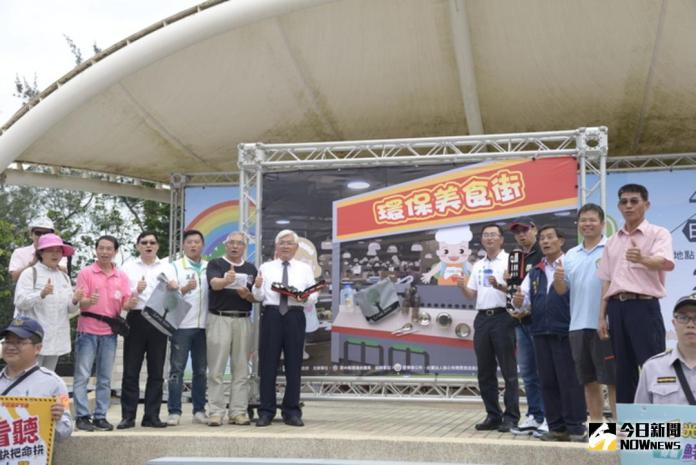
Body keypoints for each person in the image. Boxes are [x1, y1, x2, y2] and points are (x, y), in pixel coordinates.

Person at [597, 184, 675, 404]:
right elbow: (607, 280)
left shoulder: (658, 233)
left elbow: (665, 262)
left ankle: (662, 426)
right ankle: (627, 430)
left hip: (643, 307)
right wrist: (602, 317)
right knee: (623, 371)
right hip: (616, 308)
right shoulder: (612, 241)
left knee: (655, 367)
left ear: (646, 204)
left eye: (634, 201)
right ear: (619, 206)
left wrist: (642, 259)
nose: (628, 206)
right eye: (624, 202)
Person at [513, 225, 587, 442]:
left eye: (550, 237)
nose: (545, 242)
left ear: (561, 241)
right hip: (540, 332)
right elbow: (523, 301)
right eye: (543, 238)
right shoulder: (535, 271)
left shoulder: (571, 265)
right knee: (547, 381)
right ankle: (556, 427)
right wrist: (518, 301)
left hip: (566, 331)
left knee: (569, 380)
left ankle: (576, 426)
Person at [554, 204, 616, 421]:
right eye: (583, 220)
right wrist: (558, 280)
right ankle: (600, 434)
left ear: (602, 223)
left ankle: (620, 433)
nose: (587, 224)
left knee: (612, 380)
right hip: (578, 326)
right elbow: (563, 290)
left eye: (592, 220)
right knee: (589, 382)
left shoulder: (612, 248)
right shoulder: (571, 254)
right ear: (578, 224)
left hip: (606, 324)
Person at [252, 229, 317, 427]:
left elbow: (313, 295)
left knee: (294, 365)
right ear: (276, 247)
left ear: (296, 247)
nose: (285, 246)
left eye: (289, 243)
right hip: (272, 315)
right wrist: (256, 286)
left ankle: (292, 411)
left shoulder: (304, 269)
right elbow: (258, 297)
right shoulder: (266, 266)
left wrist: (304, 296)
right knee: (268, 364)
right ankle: (266, 411)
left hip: (295, 316)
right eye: (282, 243)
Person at [73, 235, 137, 432]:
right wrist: (87, 301)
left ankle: (100, 416)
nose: (104, 252)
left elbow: (126, 303)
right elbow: (79, 302)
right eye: (101, 248)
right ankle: (82, 416)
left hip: (109, 332)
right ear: (96, 250)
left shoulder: (122, 276)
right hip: (87, 330)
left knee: (105, 377)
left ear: (115, 252)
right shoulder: (86, 273)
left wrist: (129, 304)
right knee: (82, 375)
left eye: (109, 248)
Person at [459, 224, 518, 432]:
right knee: (485, 371)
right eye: (486, 235)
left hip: (503, 317)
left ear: (501, 239)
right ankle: (493, 415)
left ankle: (511, 416)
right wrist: (461, 286)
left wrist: (501, 285)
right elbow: (470, 295)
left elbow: (517, 291)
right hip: (482, 318)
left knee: (509, 371)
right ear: (482, 240)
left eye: (494, 235)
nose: (489, 238)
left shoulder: (511, 260)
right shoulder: (478, 264)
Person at [118, 231, 174, 429]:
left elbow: (173, 295)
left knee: (157, 371)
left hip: (159, 319)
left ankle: (152, 416)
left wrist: (174, 287)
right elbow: (122, 295)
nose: (148, 245)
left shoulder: (168, 267)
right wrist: (136, 291)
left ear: (158, 246)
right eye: (144, 242)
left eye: (152, 242)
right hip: (136, 317)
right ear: (137, 246)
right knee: (131, 370)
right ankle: (128, 416)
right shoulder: (127, 267)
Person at [206, 231, 258, 427]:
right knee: (216, 369)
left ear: (245, 247)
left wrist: (247, 296)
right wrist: (226, 280)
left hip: (243, 320)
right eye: (232, 243)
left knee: (241, 369)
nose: (235, 246)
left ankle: (238, 411)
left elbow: (255, 297)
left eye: (240, 243)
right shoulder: (215, 264)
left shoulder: (251, 268)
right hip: (219, 319)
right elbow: (214, 284)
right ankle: (216, 411)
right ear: (226, 245)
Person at [0, 317, 73, 442]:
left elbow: (66, 429)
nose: (11, 347)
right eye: (7, 341)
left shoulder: (55, 384)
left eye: (19, 342)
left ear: (37, 348)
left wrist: (58, 418)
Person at [14, 234, 80, 370]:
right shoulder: (30, 273)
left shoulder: (64, 277)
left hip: (56, 338)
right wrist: (41, 294)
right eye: (50, 250)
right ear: (41, 253)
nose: (55, 254)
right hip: (33, 337)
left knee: (48, 378)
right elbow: (20, 302)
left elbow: (70, 309)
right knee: (28, 377)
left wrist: (75, 300)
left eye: (59, 251)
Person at [166, 230, 209, 426]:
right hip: (181, 326)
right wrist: (184, 289)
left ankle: (199, 410)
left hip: (204, 327)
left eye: (197, 242)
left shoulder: (210, 267)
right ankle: (174, 411)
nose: (193, 245)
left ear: (202, 245)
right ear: (183, 246)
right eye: (189, 242)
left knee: (201, 370)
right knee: (177, 369)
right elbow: (167, 297)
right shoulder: (174, 267)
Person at [508, 217, 546, 436]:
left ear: (535, 230)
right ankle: (535, 415)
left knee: (548, 373)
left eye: (525, 230)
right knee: (529, 373)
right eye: (517, 232)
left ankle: (553, 418)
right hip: (520, 321)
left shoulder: (546, 255)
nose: (521, 235)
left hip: (543, 323)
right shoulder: (516, 257)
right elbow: (516, 290)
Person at [635, 295, 696, 404]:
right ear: (674, 323)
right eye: (683, 318)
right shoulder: (652, 368)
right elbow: (640, 416)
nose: (690, 324)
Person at [9, 216, 65, 283]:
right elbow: (14, 278)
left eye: (46, 233)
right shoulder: (19, 252)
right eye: (38, 233)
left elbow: (65, 273)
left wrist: (52, 261)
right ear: (31, 234)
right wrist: (33, 263)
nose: (42, 236)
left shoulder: (59, 252)